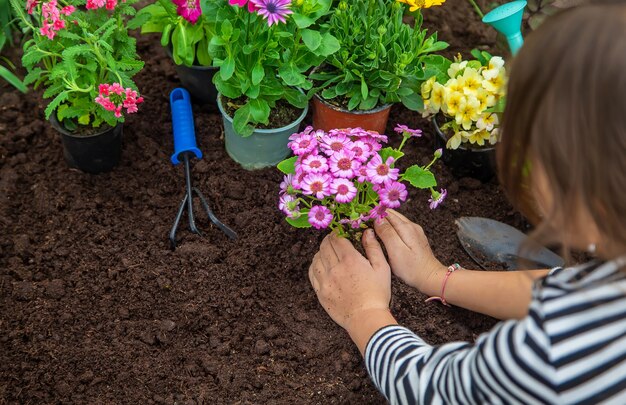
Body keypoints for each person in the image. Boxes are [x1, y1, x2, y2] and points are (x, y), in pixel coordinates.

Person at [308, 3, 626, 404]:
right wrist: (435, 277)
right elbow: (586, 296)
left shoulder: (555, 353)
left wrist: (364, 311)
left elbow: (435, 389)